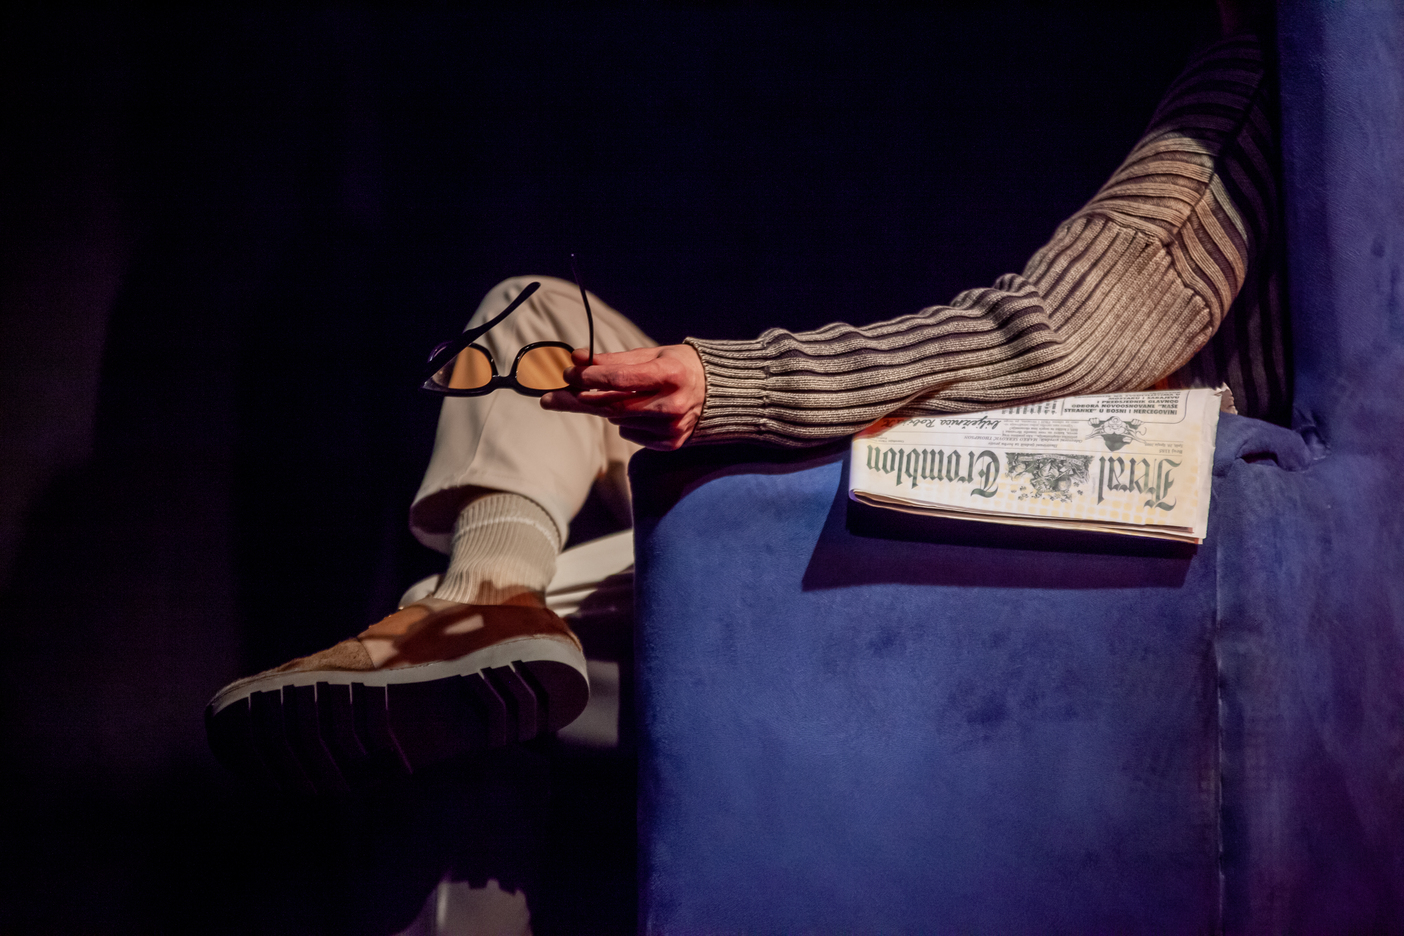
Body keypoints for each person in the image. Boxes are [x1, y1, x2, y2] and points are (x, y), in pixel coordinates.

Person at [206, 23, 1288, 791]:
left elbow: (1051, 336)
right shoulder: (1320, 115)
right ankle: (481, 609)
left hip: (1047, 513)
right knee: (535, 318)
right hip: (1100, 518)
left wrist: (734, 383)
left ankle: (474, 611)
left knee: (464, 602)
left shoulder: (1256, 81)